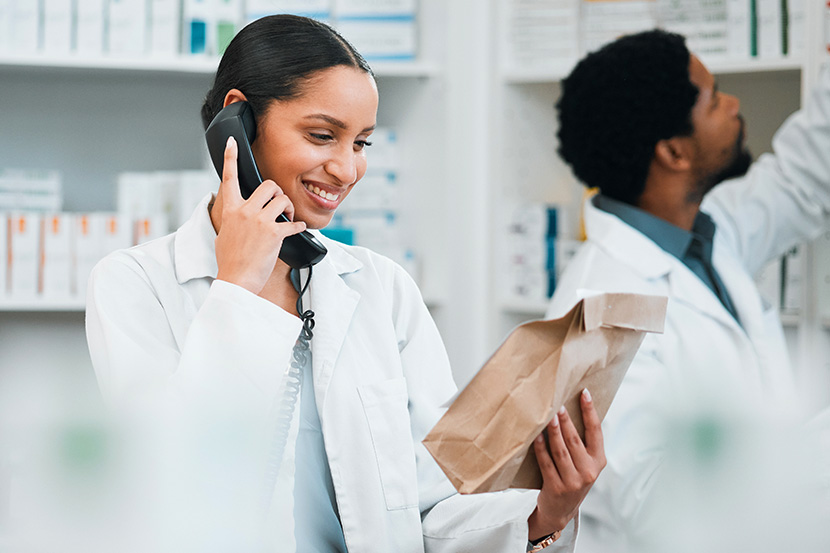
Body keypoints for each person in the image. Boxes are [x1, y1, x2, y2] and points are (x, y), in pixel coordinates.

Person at [86, 14, 606, 552]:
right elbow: (165, 476)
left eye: (360, 144)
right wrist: (238, 288)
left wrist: (541, 515)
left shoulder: (384, 288)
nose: (346, 169)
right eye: (322, 136)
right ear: (237, 121)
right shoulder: (135, 284)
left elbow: (429, 507)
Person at [546, 29, 830, 551]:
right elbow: (654, 508)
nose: (734, 104)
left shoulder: (703, 233)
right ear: (673, 151)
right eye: (715, 98)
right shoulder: (599, 312)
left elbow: (801, 179)